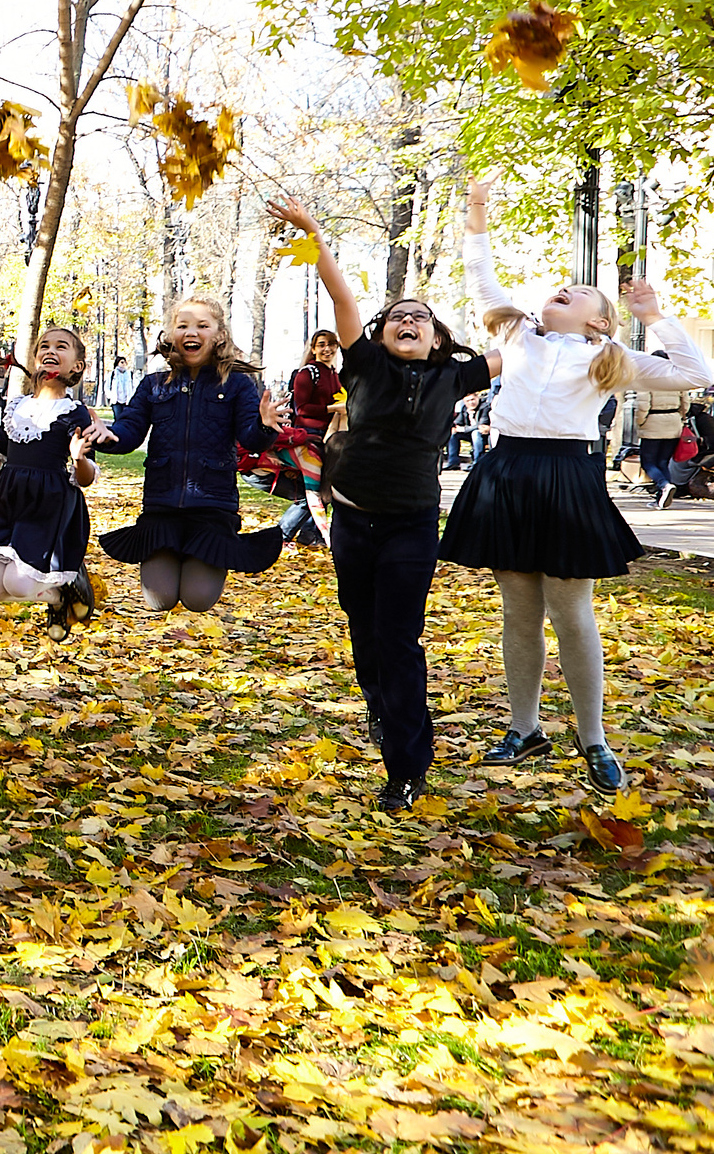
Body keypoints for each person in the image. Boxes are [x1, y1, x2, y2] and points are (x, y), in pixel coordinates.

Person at [445, 175, 710, 793]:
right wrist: (478, 211)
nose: (564, 289)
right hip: (507, 470)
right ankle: (525, 727)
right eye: (562, 289)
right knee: (518, 612)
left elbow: (697, 372)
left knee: (571, 612)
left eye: (581, 292)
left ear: (599, 321)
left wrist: (654, 317)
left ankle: (593, 738)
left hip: (569, 477)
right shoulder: (516, 336)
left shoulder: (608, 358)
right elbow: (481, 277)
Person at [268, 197, 492, 815]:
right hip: (354, 521)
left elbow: (519, 348)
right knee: (364, 632)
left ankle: (407, 765)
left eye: (420, 317)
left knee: (398, 639)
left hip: (413, 526)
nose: (408, 321)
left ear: (438, 337)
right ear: (381, 331)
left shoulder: (456, 376)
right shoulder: (363, 365)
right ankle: (377, 700)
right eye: (397, 315)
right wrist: (315, 230)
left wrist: (558, 329)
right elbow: (343, 299)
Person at [88, 297, 284, 613]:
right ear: (171, 335)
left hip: (212, 508)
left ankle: (198, 556)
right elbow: (129, 432)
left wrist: (264, 426)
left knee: (197, 598)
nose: (191, 332)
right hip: (162, 507)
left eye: (202, 326)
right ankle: (173, 553)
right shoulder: (153, 385)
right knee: (159, 599)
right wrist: (107, 436)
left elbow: (252, 438)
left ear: (219, 335)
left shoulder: (236, 385)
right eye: (183, 326)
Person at [0, 325, 100, 634]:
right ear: (35, 359)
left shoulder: (76, 413)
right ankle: (59, 595)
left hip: (48, 505)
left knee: (18, 583)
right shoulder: (14, 408)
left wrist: (77, 458)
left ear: (77, 366)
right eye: (44, 346)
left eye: (61, 346)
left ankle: (68, 588)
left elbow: (86, 477)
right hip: (7, 501)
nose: (50, 350)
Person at [271, 329, 342, 546]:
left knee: (324, 488)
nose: (326, 349)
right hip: (309, 437)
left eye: (331, 344)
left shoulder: (334, 375)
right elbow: (301, 409)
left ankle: (308, 534)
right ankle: (281, 535)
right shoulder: (307, 373)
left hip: (329, 436)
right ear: (313, 348)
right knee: (313, 491)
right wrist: (333, 408)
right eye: (321, 344)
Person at [638, 361, 687, 510]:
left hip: (653, 423)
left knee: (648, 461)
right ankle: (661, 498)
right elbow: (685, 404)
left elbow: (642, 406)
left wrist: (640, 423)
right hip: (673, 422)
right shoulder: (677, 380)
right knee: (663, 461)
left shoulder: (647, 382)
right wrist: (680, 418)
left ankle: (664, 485)